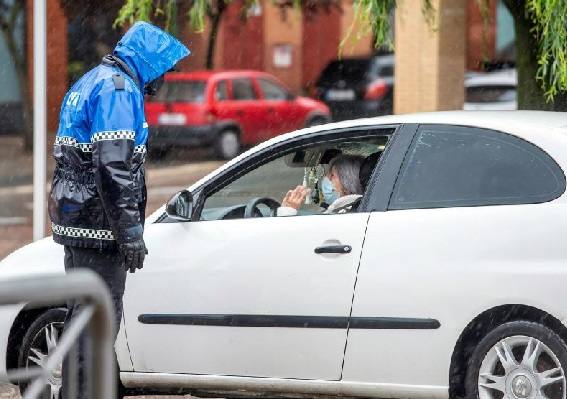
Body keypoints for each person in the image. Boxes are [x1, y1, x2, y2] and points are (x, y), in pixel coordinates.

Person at [48, 21, 190, 398]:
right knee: (98, 320)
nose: (163, 80)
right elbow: (113, 167)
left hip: (76, 222)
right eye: (163, 70)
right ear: (146, 62)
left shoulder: (90, 81)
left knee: (84, 316)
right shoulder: (119, 90)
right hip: (100, 227)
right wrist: (128, 232)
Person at [277, 154, 364, 216]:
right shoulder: (353, 207)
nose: (328, 179)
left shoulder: (346, 213)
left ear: (347, 181)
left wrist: (288, 212)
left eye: (332, 175)